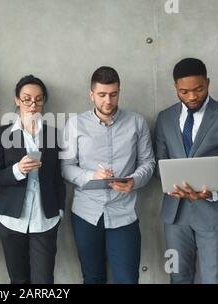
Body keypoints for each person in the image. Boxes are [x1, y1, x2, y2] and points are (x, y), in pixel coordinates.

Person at [154, 58, 218, 284]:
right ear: (175, 87)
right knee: (177, 277)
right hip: (175, 217)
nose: (192, 97)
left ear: (208, 82)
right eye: (184, 91)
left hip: (214, 215)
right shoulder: (165, 118)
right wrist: (171, 183)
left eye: (198, 89)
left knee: (215, 280)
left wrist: (212, 192)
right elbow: (160, 164)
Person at [61, 66, 155, 284]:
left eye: (113, 94)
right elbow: (65, 167)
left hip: (124, 212)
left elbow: (148, 163)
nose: (108, 101)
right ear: (91, 94)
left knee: (128, 279)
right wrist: (91, 176)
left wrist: (134, 181)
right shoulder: (75, 124)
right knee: (93, 279)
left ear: (119, 92)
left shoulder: (136, 122)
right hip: (86, 213)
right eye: (102, 95)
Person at [0, 75, 65, 284]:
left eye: (39, 99)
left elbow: (58, 176)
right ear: (17, 100)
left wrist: (60, 210)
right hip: (11, 218)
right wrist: (16, 170)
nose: (33, 104)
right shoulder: (2, 134)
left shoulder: (53, 134)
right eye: (27, 99)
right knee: (19, 280)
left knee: (44, 282)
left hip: (45, 218)